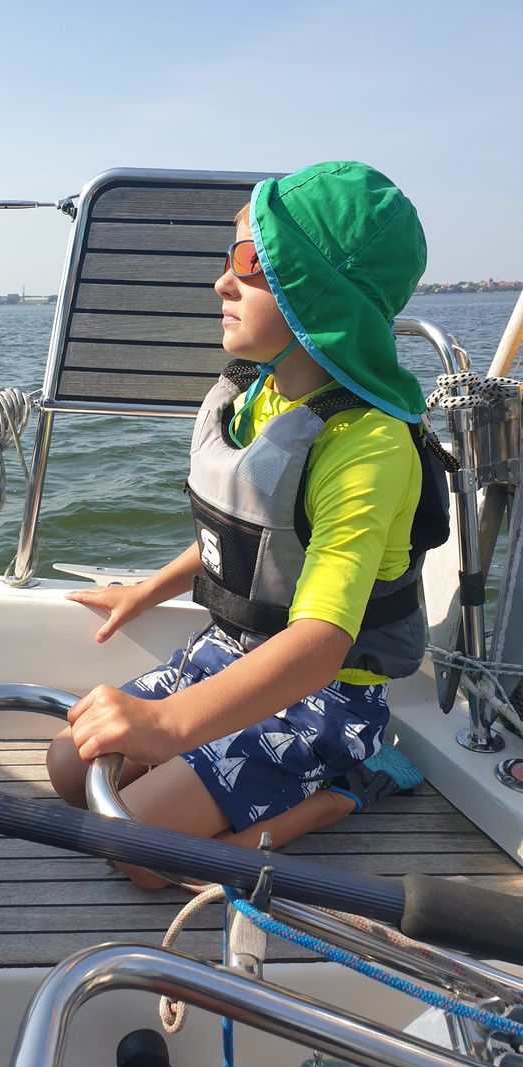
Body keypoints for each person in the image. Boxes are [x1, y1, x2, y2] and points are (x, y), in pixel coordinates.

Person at [46, 161, 447, 889]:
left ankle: (345, 790)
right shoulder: (263, 396)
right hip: (228, 655)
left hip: (322, 699)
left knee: (138, 856)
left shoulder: (368, 447)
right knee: (68, 769)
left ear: (320, 289)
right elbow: (256, 539)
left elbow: (321, 644)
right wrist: (145, 591)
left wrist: (168, 726)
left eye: (250, 263)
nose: (221, 283)